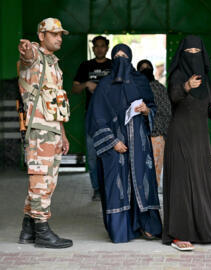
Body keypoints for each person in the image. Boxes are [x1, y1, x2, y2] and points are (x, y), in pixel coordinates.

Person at [86, 44, 162, 243]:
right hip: (116, 146)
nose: (121, 59)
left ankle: (147, 226)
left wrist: (146, 110)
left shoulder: (140, 81)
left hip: (139, 145)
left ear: (130, 57)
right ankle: (122, 231)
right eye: (117, 56)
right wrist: (112, 142)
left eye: (124, 56)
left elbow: (153, 109)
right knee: (117, 185)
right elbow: (96, 118)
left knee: (142, 181)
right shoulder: (104, 85)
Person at [162, 35, 211, 251]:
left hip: (200, 140)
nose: (194, 57)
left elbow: (208, 107)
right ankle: (179, 234)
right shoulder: (178, 75)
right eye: (189, 53)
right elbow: (173, 97)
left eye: (198, 53)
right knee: (181, 184)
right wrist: (186, 86)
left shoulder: (206, 80)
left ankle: (203, 231)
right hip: (180, 136)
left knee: (201, 183)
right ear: (182, 54)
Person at [17, 18, 73, 248]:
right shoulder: (36, 58)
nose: (59, 38)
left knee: (47, 181)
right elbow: (27, 57)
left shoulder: (53, 62)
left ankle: (27, 230)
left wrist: (63, 133)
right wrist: (27, 50)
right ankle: (42, 231)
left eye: (60, 34)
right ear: (41, 36)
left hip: (52, 129)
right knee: (40, 180)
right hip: (39, 131)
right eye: (53, 34)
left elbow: (56, 103)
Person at [72, 35, 112, 201]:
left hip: (111, 116)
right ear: (93, 48)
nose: (100, 49)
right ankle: (96, 189)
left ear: (107, 47)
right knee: (93, 156)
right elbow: (75, 89)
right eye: (96, 46)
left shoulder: (114, 65)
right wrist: (87, 84)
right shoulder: (85, 66)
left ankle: (110, 189)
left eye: (102, 46)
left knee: (110, 155)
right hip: (92, 116)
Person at [137, 59, 171, 190]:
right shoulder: (135, 88)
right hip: (142, 137)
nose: (145, 70)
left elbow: (167, 112)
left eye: (147, 68)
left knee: (154, 170)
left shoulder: (160, 89)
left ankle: (151, 201)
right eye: (142, 68)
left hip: (156, 136)